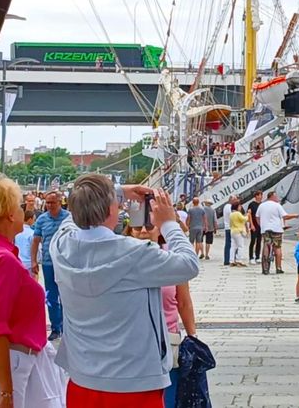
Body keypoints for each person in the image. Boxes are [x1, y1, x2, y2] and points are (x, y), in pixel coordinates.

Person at [48, 174, 200, 407]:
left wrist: (116, 192)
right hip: (135, 380)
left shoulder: (61, 246)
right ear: (112, 209)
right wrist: (169, 223)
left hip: (82, 376)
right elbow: (189, 264)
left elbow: (71, 222)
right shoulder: (136, 253)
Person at [0, 177, 65, 408]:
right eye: (19, 206)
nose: (23, 211)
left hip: (5, 357)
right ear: (10, 214)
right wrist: (5, 392)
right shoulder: (2, 259)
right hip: (8, 359)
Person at [128, 224, 197, 408]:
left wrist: (193, 337)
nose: (143, 231)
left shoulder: (173, 259)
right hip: (131, 345)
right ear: (129, 231)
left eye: (149, 226)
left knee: (167, 400)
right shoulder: (121, 259)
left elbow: (183, 302)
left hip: (167, 344)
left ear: (159, 230)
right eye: (136, 227)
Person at [31, 191, 70, 341]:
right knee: (51, 297)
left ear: (60, 202)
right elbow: (35, 241)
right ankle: (56, 327)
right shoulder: (41, 219)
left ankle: (68, 327)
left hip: (65, 263)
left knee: (66, 296)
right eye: (47, 203)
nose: (49, 206)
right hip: (48, 263)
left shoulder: (69, 218)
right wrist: (34, 260)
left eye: (52, 203)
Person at [256, 191, 299, 274]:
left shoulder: (261, 205)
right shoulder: (277, 205)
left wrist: (261, 225)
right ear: (272, 197)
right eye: (276, 197)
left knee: (266, 244)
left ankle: (265, 268)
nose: (277, 198)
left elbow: (257, 217)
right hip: (276, 229)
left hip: (265, 229)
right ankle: (278, 268)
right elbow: (285, 216)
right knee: (278, 247)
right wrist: (295, 215)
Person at [15, 210, 36, 277]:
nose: (34, 221)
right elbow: (35, 248)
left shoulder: (16, 232)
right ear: (30, 219)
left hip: (18, 261)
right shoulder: (32, 233)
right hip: (29, 263)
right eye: (34, 219)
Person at [246, 191, 263, 265]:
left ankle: (257, 256)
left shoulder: (262, 204)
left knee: (259, 241)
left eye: (261, 195)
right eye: (259, 195)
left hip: (261, 225)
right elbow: (249, 215)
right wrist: (251, 224)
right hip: (254, 224)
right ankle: (251, 257)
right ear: (256, 196)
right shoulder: (252, 204)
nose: (261, 196)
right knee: (253, 240)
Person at [223, 195, 239, 266]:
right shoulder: (230, 207)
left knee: (228, 244)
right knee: (233, 244)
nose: (236, 201)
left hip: (227, 227)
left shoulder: (226, 206)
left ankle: (227, 259)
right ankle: (231, 259)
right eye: (235, 200)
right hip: (231, 227)